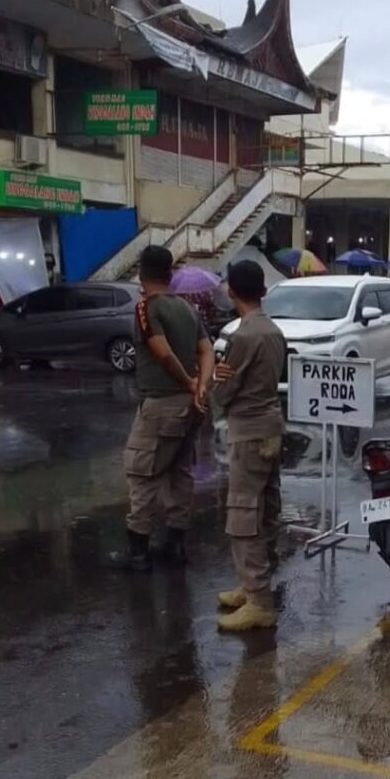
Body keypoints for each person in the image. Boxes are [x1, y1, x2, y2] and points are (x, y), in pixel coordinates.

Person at [109, 245, 214, 573]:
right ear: (170, 273)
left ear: (141, 272)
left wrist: (186, 383)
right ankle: (175, 544)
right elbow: (207, 350)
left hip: (161, 403)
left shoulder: (146, 308)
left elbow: (162, 353)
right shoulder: (187, 309)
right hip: (190, 406)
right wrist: (200, 386)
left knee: (142, 472)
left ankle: (137, 550)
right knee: (179, 471)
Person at [211, 260, 287, 631]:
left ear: (232, 291)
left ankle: (258, 599)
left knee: (244, 514)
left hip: (249, 430)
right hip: (271, 424)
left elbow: (226, 389)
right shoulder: (273, 330)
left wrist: (213, 381)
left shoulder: (243, 336)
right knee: (267, 508)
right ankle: (253, 585)